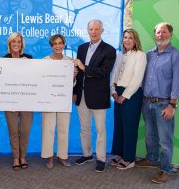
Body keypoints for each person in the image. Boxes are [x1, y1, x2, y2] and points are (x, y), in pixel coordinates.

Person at [135, 22, 179, 184]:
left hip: (164, 104)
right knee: (150, 136)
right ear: (154, 34)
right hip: (147, 102)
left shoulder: (176, 55)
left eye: (164, 32)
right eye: (157, 32)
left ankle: (165, 169)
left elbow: (178, 82)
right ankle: (152, 159)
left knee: (165, 140)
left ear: (170, 34)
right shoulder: (149, 55)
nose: (160, 35)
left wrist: (172, 105)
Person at [73, 19, 116, 172]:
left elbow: (104, 72)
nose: (94, 32)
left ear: (102, 31)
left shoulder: (109, 50)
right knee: (84, 128)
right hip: (82, 94)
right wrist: (75, 91)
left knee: (100, 130)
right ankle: (86, 154)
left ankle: (101, 158)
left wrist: (83, 67)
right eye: (91, 29)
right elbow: (79, 73)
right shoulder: (82, 48)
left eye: (97, 29)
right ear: (88, 30)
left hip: (98, 96)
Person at [110, 29, 146, 170]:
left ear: (135, 40)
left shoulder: (140, 55)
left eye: (130, 37)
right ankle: (119, 153)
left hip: (131, 94)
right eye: (125, 37)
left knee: (130, 127)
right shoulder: (120, 55)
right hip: (118, 92)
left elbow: (137, 79)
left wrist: (124, 96)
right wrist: (113, 91)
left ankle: (129, 158)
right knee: (119, 125)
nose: (127, 40)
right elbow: (114, 75)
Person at [41, 34, 76, 169]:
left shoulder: (69, 61)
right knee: (48, 129)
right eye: (55, 44)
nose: (58, 46)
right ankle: (49, 157)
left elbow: (72, 84)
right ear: (51, 46)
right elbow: (40, 80)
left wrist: (73, 77)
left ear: (64, 45)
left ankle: (62, 156)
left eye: (60, 43)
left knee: (63, 129)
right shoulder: (44, 61)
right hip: (48, 100)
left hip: (63, 100)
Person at [3, 32, 33, 171]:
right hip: (10, 100)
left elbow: (35, 78)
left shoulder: (29, 58)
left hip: (27, 100)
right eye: (13, 41)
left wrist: (28, 65)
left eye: (19, 42)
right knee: (13, 130)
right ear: (9, 44)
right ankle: (16, 157)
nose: (16, 44)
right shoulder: (4, 59)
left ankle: (23, 156)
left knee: (25, 130)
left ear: (22, 44)